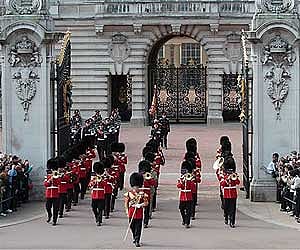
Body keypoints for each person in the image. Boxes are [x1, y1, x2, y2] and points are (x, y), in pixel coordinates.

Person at [124, 173, 149, 247]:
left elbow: (146, 203)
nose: (136, 188)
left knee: (138, 228)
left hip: (139, 213)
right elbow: (126, 203)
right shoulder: (129, 194)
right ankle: (135, 237)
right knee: (132, 226)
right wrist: (127, 212)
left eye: (137, 186)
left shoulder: (142, 194)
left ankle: (137, 240)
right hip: (131, 212)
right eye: (135, 186)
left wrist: (140, 205)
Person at [219, 156, 240, 228]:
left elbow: (238, 182)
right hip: (226, 194)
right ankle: (226, 217)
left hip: (233, 194)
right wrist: (227, 179)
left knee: (233, 208)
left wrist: (235, 178)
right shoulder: (223, 175)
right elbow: (222, 184)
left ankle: (232, 222)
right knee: (226, 207)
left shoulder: (234, 174)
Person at [177, 161, 195, 228]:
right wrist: (182, 181)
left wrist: (189, 181)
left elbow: (193, 188)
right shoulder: (181, 178)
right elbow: (178, 186)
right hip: (182, 196)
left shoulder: (191, 178)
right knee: (181, 209)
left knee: (188, 210)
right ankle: (184, 219)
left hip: (189, 196)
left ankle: (187, 223)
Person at [44, 158, 61, 226]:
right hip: (48, 194)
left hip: (56, 194)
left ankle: (54, 220)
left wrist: (56, 178)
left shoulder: (57, 175)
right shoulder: (47, 176)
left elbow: (59, 183)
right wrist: (50, 180)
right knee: (48, 207)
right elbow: (45, 184)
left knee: (55, 208)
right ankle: (50, 215)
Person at [89, 162, 106, 226]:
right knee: (94, 208)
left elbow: (106, 184)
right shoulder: (93, 176)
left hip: (101, 194)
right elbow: (90, 185)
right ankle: (97, 217)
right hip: (94, 195)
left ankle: (99, 220)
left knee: (100, 208)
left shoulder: (104, 176)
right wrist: (94, 181)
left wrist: (101, 180)